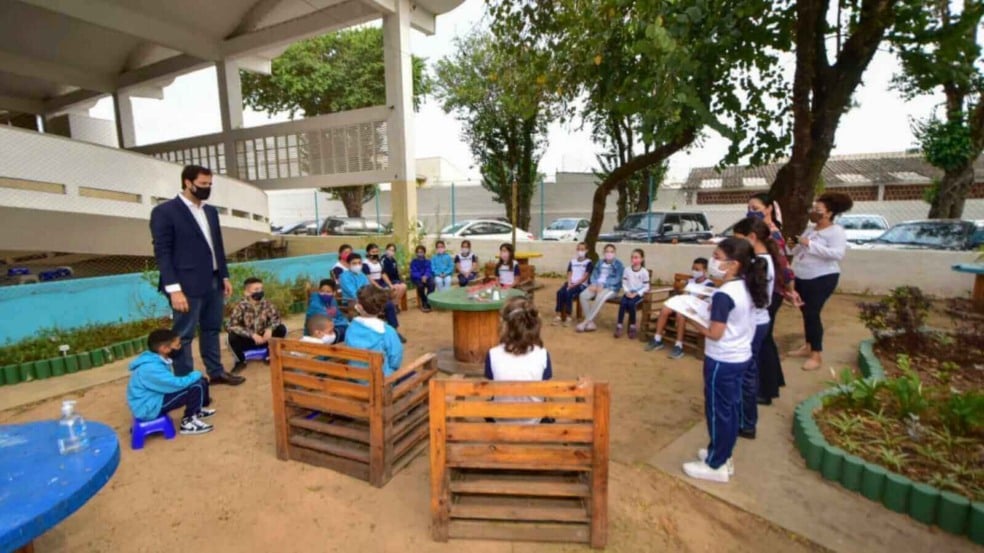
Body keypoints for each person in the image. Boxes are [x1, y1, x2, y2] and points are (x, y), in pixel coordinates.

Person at [682, 238, 769, 483]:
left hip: (722, 360)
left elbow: (715, 333)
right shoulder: (745, 286)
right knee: (729, 409)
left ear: (733, 265)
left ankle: (715, 465)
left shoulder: (725, 294)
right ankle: (721, 452)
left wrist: (690, 317)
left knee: (718, 411)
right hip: (740, 355)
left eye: (717, 257)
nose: (713, 261)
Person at [149, 164, 243, 386]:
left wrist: (224, 276)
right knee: (183, 336)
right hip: (185, 285)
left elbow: (217, 246)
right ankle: (187, 383)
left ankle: (216, 372)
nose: (207, 188)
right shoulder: (165, 212)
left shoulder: (210, 211)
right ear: (187, 183)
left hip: (213, 280)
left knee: (211, 328)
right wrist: (174, 290)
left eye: (210, 184)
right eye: (202, 184)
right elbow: (162, 253)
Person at [791, 192, 852, 371]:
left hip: (822, 277)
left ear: (829, 213)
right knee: (805, 312)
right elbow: (797, 249)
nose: (814, 212)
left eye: (818, 209)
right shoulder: (811, 229)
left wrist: (809, 244)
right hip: (802, 275)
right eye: (814, 208)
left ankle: (816, 356)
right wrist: (792, 244)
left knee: (812, 313)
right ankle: (808, 346)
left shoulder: (836, 231)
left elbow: (837, 254)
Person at [733, 218, 780, 438]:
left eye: (739, 240)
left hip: (753, 324)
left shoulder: (758, 263)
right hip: (759, 321)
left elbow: (750, 298)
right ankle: (747, 419)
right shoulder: (764, 259)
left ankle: (746, 422)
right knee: (749, 370)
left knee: (745, 373)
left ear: (752, 238)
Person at [127, 329, 215, 435]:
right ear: (164, 349)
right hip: (148, 408)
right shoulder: (151, 368)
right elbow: (176, 384)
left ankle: (197, 410)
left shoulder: (157, 359)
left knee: (201, 380)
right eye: (177, 345)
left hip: (154, 398)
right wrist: (195, 374)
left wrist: (196, 376)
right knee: (196, 386)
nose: (180, 347)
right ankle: (188, 422)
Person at [484, 296, 553, 424]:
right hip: (533, 420)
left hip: (501, 419)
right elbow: (545, 387)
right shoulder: (543, 355)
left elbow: (492, 385)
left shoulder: (492, 354)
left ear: (505, 326)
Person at [646, 257, 716, 359]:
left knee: (681, 314)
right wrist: (681, 291)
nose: (694, 271)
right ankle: (657, 339)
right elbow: (684, 294)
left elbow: (699, 298)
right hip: (684, 304)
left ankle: (679, 346)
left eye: (697, 269)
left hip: (696, 309)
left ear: (704, 270)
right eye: (693, 268)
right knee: (665, 309)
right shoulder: (690, 281)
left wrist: (686, 298)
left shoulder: (709, 284)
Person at [340, 253, 405, 342]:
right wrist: (367, 299)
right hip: (353, 301)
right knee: (370, 308)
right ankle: (375, 335)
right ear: (348, 264)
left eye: (359, 263)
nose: (357, 265)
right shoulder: (344, 276)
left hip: (367, 299)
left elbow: (369, 288)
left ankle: (394, 331)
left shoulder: (362, 275)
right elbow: (352, 293)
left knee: (389, 305)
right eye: (354, 263)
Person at [227, 277, 287, 372]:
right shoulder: (240, 306)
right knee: (231, 336)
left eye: (261, 289)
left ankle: (269, 354)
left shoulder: (267, 304)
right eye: (256, 289)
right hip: (249, 340)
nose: (260, 292)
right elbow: (232, 325)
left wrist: (270, 329)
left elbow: (276, 319)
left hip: (265, 339)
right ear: (246, 292)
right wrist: (252, 334)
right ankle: (240, 361)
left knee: (281, 328)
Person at [344, 286, 404, 377]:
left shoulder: (350, 328)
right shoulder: (387, 331)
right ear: (382, 308)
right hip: (381, 380)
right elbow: (395, 360)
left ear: (359, 307)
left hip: (357, 377)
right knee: (411, 374)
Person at [576, 244, 624, 333]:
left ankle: (585, 322)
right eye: (607, 251)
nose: (609, 253)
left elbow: (617, 279)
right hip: (597, 286)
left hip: (611, 288)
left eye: (611, 252)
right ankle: (591, 323)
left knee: (599, 297)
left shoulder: (618, 264)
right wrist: (594, 284)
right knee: (583, 295)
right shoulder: (600, 262)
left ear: (615, 253)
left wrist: (603, 285)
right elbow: (594, 274)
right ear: (603, 253)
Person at [553, 242, 593, 326]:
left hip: (581, 285)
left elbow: (585, 276)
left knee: (569, 293)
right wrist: (569, 282)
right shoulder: (572, 261)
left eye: (582, 249)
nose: (580, 251)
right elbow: (569, 272)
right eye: (578, 249)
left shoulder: (588, 262)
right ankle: (558, 314)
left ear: (586, 250)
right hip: (571, 283)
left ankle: (568, 316)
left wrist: (575, 284)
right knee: (560, 292)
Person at [615, 249, 650, 339]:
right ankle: (619, 325)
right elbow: (624, 283)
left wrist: (637, 294)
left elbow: (646, 286)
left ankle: (632, 326)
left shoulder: (644, 272)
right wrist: (627, 292)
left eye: (636, 257)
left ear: (641, 259)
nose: (633, 259)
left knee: (631, 304)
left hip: (637, 294)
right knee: (623, 303)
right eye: (632, 257)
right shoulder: (627, 270)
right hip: (628, 293)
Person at [410, 244, 436, 312]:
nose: (420, 253)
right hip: (417, 278)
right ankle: (424, 301)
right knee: (420, 286)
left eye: (421, 252)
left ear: (424, 252)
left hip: (426, 277)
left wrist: (425, 276)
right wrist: (421, 277)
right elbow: (414, 272)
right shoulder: (414, 262)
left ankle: (428, 301)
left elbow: (429, 270)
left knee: (432, 284)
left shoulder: (427, 261)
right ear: (416, 253)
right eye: (418, 252)